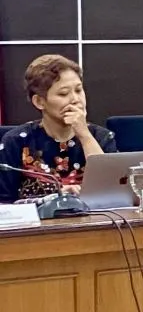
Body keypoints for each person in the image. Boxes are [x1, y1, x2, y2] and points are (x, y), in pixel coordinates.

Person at [0, 55, 117, 202]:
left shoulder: (101, 137)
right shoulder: (16, 141)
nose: (75, 99)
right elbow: (4, 205)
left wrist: (84, 135)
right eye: (63, 94)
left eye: (78, 90)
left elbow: (113, 191)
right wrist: (54, 198)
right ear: (39, 102)